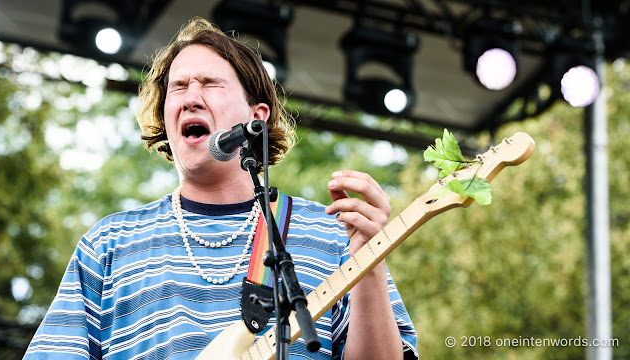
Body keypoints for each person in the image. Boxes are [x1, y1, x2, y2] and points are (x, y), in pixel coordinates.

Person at [24, 17, 418, 360]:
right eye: (177, 88)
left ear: (256, 116)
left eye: (210, 84)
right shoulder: (108, 244)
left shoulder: (335, 234)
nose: (191, 97)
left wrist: (370, 265)